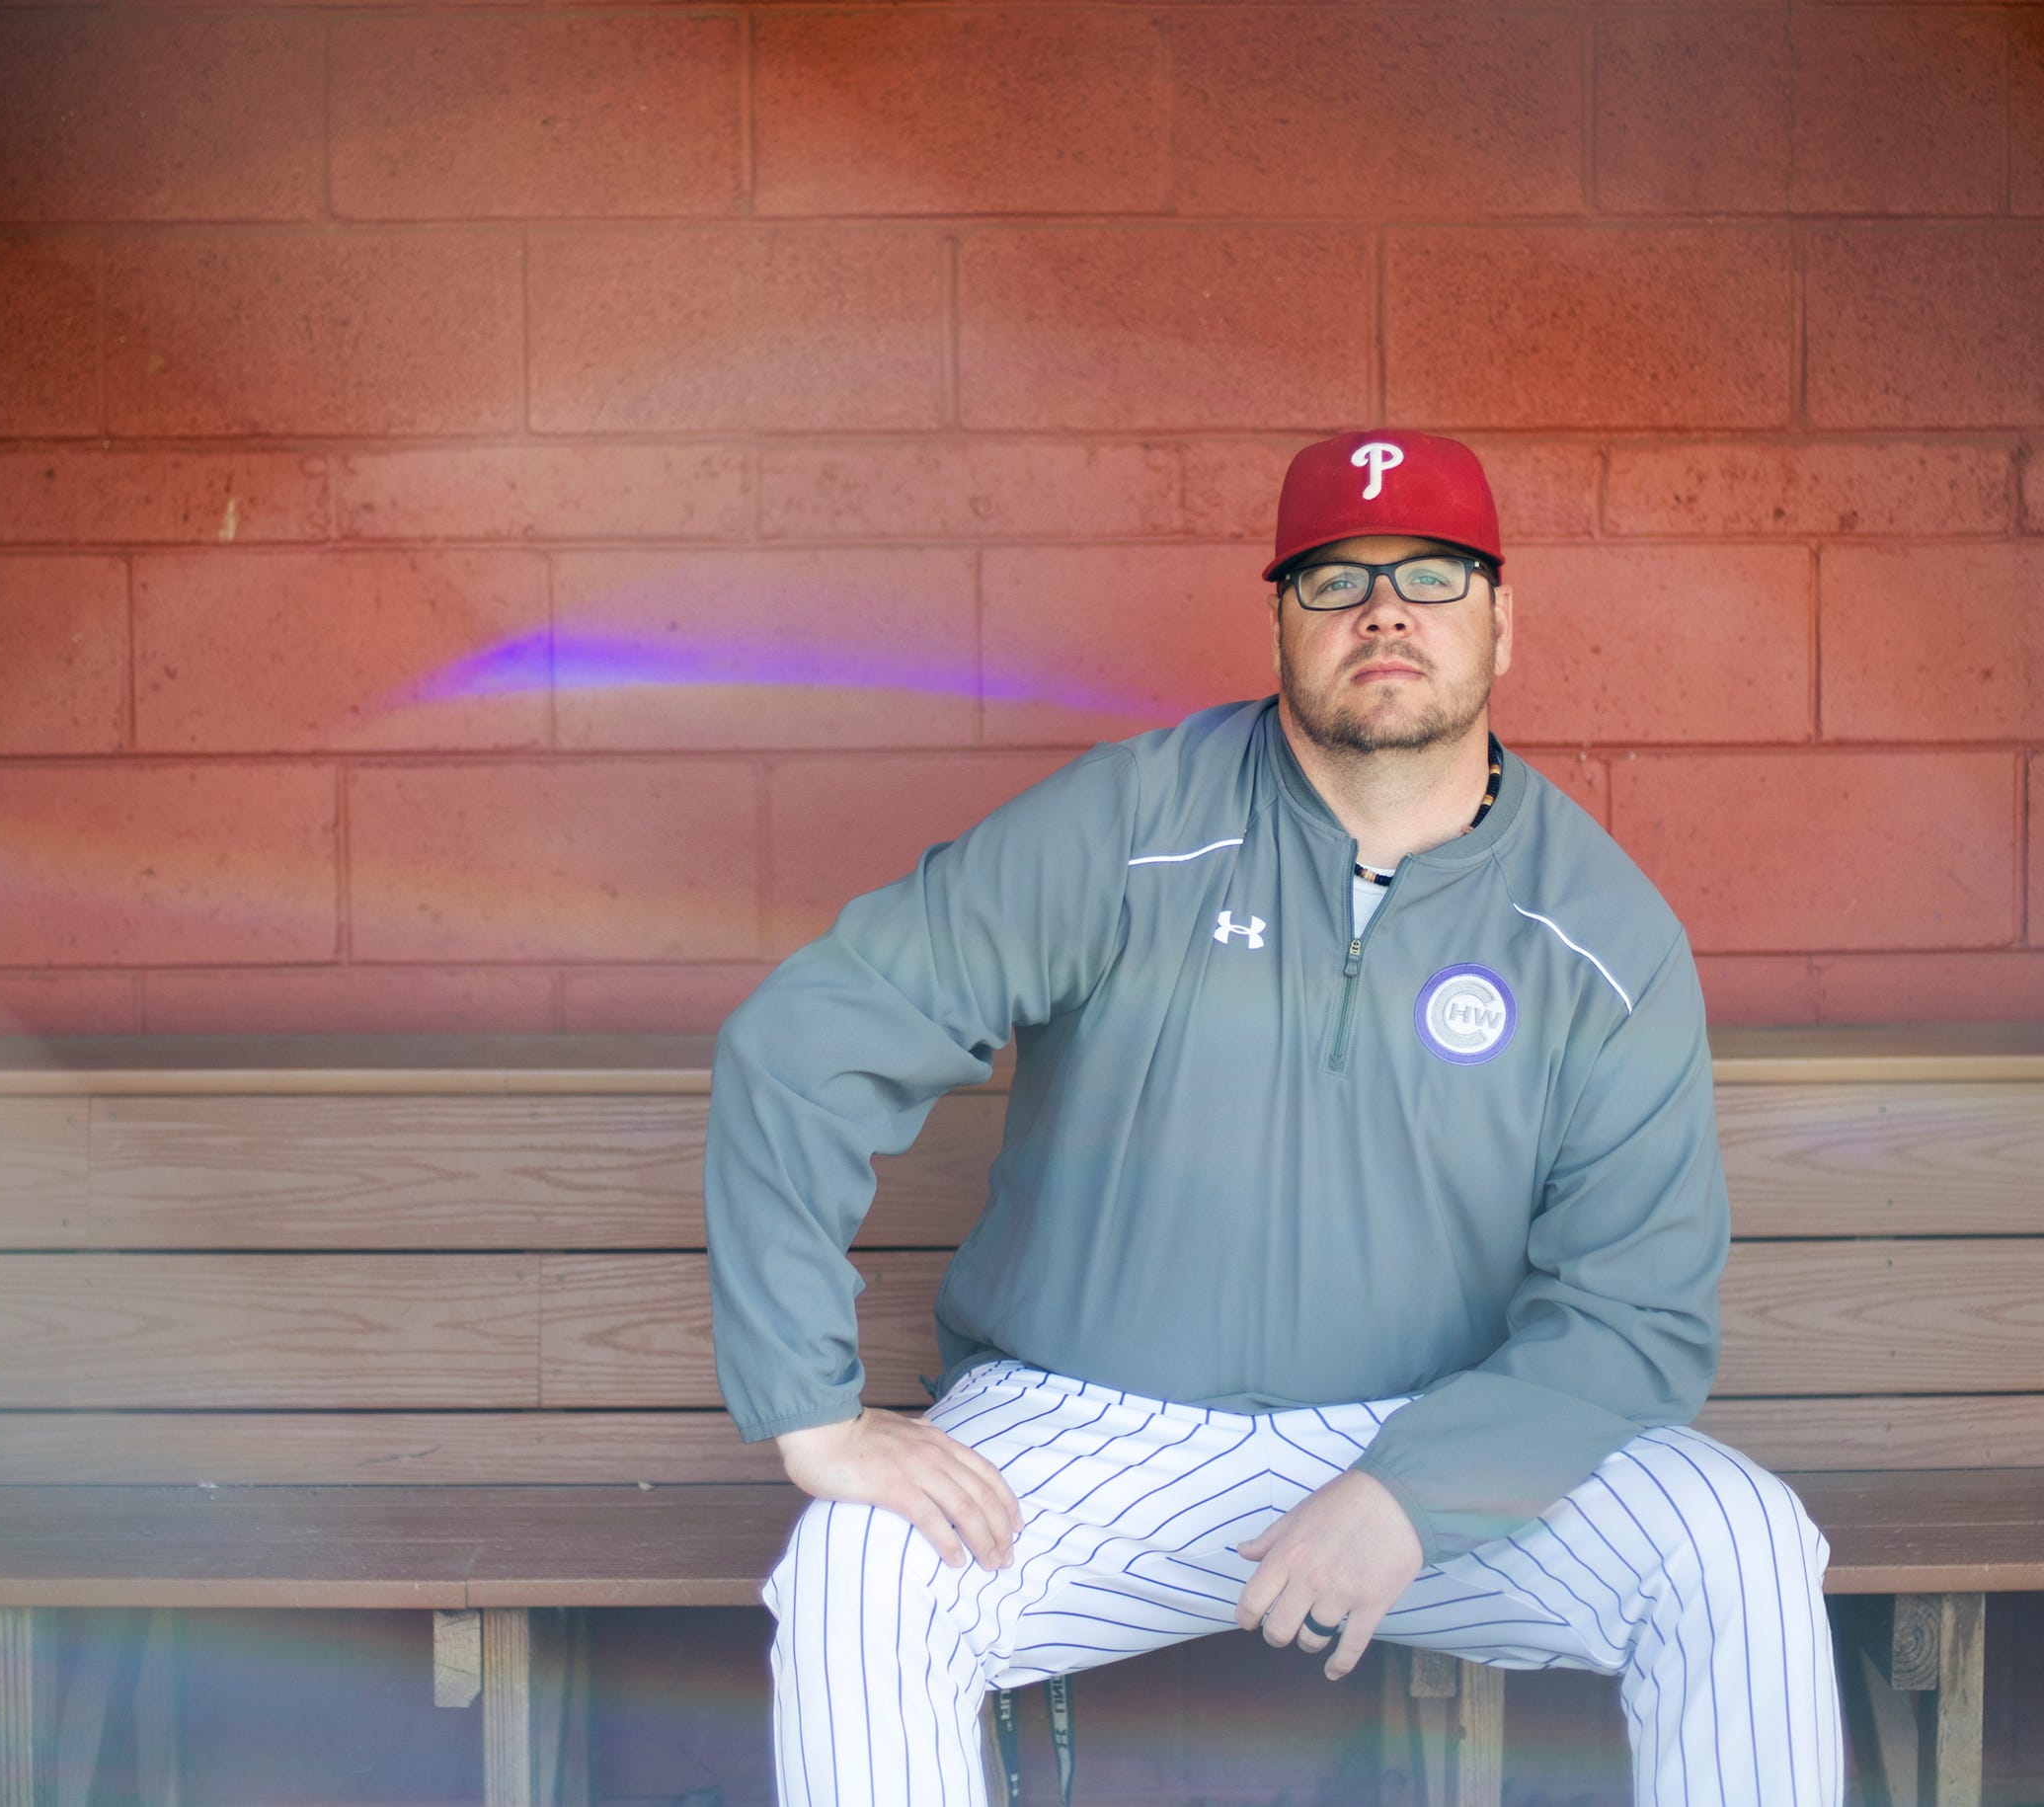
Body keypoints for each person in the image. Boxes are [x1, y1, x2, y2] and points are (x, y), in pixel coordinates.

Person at [703, 429, 1844, 1806]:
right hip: (1090, 1421)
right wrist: (811, 1410)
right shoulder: (1132, 822)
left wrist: (1418, 1492)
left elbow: (1634, 1307)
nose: (1382, 613)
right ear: (1277, 621)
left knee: (1738, 1545)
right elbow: (804, 1041)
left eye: (1428, 576)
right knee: (857, 1569)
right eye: (1333, 579)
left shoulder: (1597, 927)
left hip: (1439, 1423)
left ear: (1501, 619)